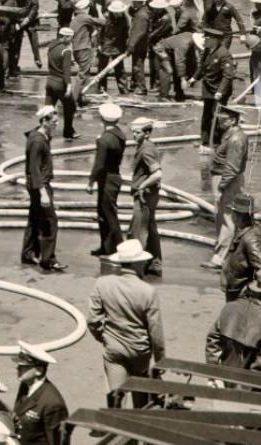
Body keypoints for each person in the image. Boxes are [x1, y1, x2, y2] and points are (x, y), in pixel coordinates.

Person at [88, 238, 165, 409]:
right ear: (138, 263)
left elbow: (92, 320)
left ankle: (115, 428)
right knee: (141, 401)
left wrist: (105, 337)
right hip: (140, 351)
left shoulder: (103, 284)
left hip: (114, 349)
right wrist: (160, 360)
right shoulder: (148, 291)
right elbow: (156, 332)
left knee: (116, 397)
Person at [203, 105, 251, 270]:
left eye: (223, 120)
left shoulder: (236, 138)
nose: (219, 123)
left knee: (226, 219)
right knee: (221, 216)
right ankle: (224, 253)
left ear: (233, 120)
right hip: (225, 178)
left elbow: (232, 167)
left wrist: (221, 187)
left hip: (228, 180)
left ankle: (220, 258)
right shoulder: (230, 135)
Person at [21, 106, 66, 272]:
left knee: (34, 218)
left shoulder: (42, 136)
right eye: (54, 121)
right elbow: (34, 168)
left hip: (37, 183)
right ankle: (48, 259)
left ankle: (28, 253)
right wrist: (43, 193)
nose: (57, 124)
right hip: (39, 184)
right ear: (44, 121)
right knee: (49, 221)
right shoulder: (38, 141)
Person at [206, 268, 261, 371]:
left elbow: (213, 342)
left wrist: (214, 374)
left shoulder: (230, 307)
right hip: (251, 383)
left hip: (224, 374)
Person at [87, 103, 126, 258]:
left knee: (109, 216)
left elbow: (99, 165)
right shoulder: (119, 135)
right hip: (115, 177)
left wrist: (90, 181)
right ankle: (106, 247)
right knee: (104, 214)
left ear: (102, 118)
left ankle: (118, 249)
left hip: (107, 179)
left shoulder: (104, 140)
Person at [11, 341, 68, 445]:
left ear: (39, 371)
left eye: (24, 367)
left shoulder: (53, 403)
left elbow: (57, 442)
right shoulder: (25, 385)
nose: (18, 369)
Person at [190, 27, 236, 153]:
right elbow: (201, 67)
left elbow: (228, 75)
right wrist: (194, 78)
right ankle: (204, 142)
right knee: (206, 116)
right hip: (208, 88)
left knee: (218, 117)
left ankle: (217, 143)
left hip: (219, 90)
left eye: (207, 38)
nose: (205, 40)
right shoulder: (206, 51)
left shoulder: (224, 54)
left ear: (214, 40)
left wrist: (220, 91)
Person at [128, 118, 163, 277]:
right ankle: (155, 263)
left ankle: (137, 267)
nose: (134, 135)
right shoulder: (145, 145)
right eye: (133, 132)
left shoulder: (146, 149)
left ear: (147, 133)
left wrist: (142, 186)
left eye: (138, 132)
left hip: (145, 195)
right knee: (150, 228)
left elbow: (157, 173)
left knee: (139, 230)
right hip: (150, 194)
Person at [220, 194, 261, 301]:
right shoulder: (243, 230)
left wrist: (251, 292)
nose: (231, 215)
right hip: (235, 288)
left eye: (232, 213)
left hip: (242, 293)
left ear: (238, 216)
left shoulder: (251, 239)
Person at [44, 28, 78, 141]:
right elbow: (66, 71)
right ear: (65, 37)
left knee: (48, 109)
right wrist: (68, 86)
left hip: (49, 81)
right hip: (60, 83)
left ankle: (44, 132)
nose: (71, 41)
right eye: (70, 38)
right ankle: (68, 132)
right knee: (70, 107)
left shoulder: (51, 46)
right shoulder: (66, 51)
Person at [97, 0, 129, 95]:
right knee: (103, 68)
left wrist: (126, 47)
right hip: (105, 45)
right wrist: (98, 44)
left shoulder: (124, 18)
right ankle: (102, 89)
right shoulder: (106, 18)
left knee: (120, 68)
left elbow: (126, 33)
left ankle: (123, 89)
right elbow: (100, 32)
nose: (119, 14)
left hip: (118, 46)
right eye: (117, 13)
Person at [12, 0, 42, 71]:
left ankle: (37, 59)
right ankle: (14, 63)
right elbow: (14, 8)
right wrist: (18, 21)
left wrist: (28, 19)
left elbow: (35, 7)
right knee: (17, 41)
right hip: (19, 18)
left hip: (31, 19)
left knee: (33, 38)